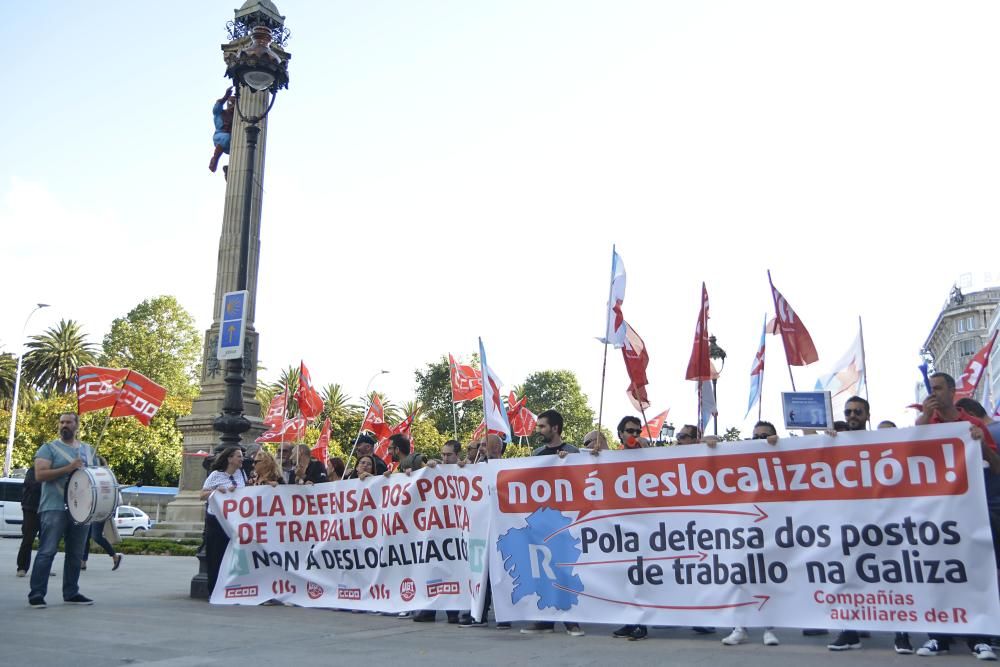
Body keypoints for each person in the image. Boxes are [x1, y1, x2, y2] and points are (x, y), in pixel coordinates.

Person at [912, 376, 998, 660]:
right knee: (938, 574)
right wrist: (924, 417)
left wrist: (981, 445)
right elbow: (909, 456)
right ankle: (938, 637)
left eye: (937, 388)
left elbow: (997, 468)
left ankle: (980, 638)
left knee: (974, 573)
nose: (932, 393)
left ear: (951, 391)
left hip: (970, 515)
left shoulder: (973, 424)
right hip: (935, 517)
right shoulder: (924, 425)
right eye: (930, 389)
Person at [520, 410, 584, 637]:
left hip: (566, 520)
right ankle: (545, 619)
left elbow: (583, 480)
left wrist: (572, 463)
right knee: (543, 569)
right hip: (542, 520)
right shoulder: (537, 453)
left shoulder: (573, 452)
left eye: (542, 426)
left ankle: (571, 620)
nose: (538, 430)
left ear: (555, 428)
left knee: (565, 569)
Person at [719, 422, 781, 647]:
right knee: (740, 578)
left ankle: (768, 628)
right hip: (743, 528)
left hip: (771, 527)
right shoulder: (742, 458)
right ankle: (740, 627)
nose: (760, 439)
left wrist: (778, 446)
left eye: (765, 436)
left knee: (766, 580)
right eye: (756, 436)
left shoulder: (782, 456)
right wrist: (711, 443)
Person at [28, 412, 97, 609]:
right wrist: (68, 468)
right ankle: (37, 594)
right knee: (47, 551)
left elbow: (92, 477)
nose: (64, 425)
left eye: (68, 422)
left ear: (77, 425)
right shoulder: (48, 448)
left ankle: (71, 592)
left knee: (75, 553)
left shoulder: (87, 450)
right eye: (62, 422)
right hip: (54, 506)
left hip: (81, 509)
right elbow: (40, 475)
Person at [611, 415, 653, 641]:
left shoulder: (651, 456)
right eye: (630, 431)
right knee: (625, 576)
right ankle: (630, 620)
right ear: (620, 434)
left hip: (646, 526)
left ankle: (641, 623)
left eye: (638, 432)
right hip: (619, 527)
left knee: (641, 576)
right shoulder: (610, 458)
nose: (634, 435)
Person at [199, 447, 248, 597]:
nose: (241, 459)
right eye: (238, 456)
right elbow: (202, 495)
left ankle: (232, 589)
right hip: (217, 520)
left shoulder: (242, 474)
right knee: (216, 555)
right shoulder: (216, 475)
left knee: (236, 556)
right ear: (230, 459)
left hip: (235, 521)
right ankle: (214, 590)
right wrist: (217, 491)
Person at [80, 456, 122, 573]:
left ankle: (115, 556)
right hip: (92, 509)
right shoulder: (97, 475)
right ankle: (83, 561)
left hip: (101, 509)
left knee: (96, 535)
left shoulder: (104, 477)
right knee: (87, 536)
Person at [16, 466, 48, 578]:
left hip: (46, 508)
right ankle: (22, 568)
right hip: (31, 508)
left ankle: (43, 568)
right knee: (28, 539)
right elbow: (33, 485)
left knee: (46, 541)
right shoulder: (33, 470)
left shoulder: (53, 469)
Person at [208, 87, 235, 173]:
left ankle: (229, 170)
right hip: (220, 136)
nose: (232, 107)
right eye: (231, 104)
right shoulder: (220, 113)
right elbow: (217, 106)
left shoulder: (237, 117)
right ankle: (215, 158)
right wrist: (225, 97)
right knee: (226, 137)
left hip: (231, 142)